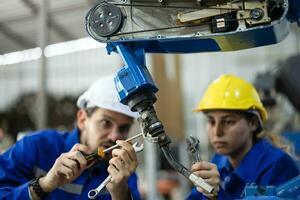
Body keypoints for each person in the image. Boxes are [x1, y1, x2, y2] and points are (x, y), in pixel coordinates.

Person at [0, 75, 141, 200]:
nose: (115, 136)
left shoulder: (123, 172)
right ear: (82, 119)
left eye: (124, 128)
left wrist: (121, 194)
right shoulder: (35, 146)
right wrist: (44, 184)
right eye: (105, 123)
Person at [186, 74, 299, 200]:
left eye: (228, 122)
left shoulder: (277, 165)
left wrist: (215, 196)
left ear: (253, 123)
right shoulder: (219, 160)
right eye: (212, 122)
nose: (217, 132)